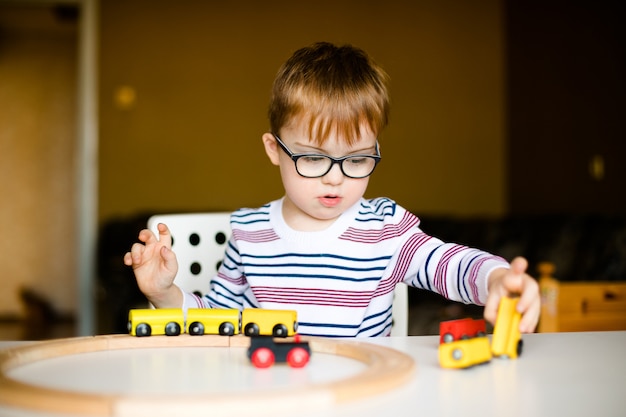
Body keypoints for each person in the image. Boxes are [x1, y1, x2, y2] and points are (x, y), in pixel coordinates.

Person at [124, 41, 540, 337]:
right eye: (312, 157)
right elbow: (215, 321)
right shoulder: (248, 233)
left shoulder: (386, 229)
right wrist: (164, 292)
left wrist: (496, 278)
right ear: (274, 150)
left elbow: (451, 265)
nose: (335, 177)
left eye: (357, 159)